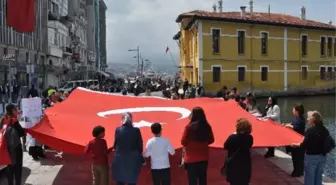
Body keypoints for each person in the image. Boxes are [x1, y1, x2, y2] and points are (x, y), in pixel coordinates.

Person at [293, 111, 335, 185]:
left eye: (308, 117)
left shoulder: (310, 131)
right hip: (322, 157)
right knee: (318, 178)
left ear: (313, 119)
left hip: (311, 157)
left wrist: (296, 145)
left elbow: (304, 145)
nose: (307, 119)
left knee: (309, 178)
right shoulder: (325, 130)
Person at [181, 107, 214, 185]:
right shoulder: (207, 126)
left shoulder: (189, 127)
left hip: (191, 158)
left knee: (192, 180)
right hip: (203, 157)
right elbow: (211, 140)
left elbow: (183, 142)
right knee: (203, 179)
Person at [112, 113, 144, 185]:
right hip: (132, 159)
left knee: (120, 181)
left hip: (119, 159)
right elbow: (140, 145)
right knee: (131, 181)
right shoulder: (136, 130)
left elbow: (116, 144)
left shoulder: (118, 130)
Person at [224, 118, 253, 185]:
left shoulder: (232, 137)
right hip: (245, 164)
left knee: (234, 182)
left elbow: (226, 146)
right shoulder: (250, 138)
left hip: (234, 163)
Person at [2, 104, 25, 185]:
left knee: (9, 168)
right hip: (16, 148)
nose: (17, 111)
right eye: (16, 109)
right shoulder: (14, 120)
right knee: (17, 168)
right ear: (12, 110)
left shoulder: (2, 120)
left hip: (6, 148)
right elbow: (22, 133)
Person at [284, 104, 306, 177]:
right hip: (294, 140)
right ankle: (296, 170)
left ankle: (299, 172)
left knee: (299, 157)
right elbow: (292, 123)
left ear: (297, 111)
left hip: (299, 142)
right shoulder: (295, 118)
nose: (292, 111)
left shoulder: (301, 119)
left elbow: (297, 128)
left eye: (293, 110)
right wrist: (287, 124)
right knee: (295, 157)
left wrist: (290, 126)